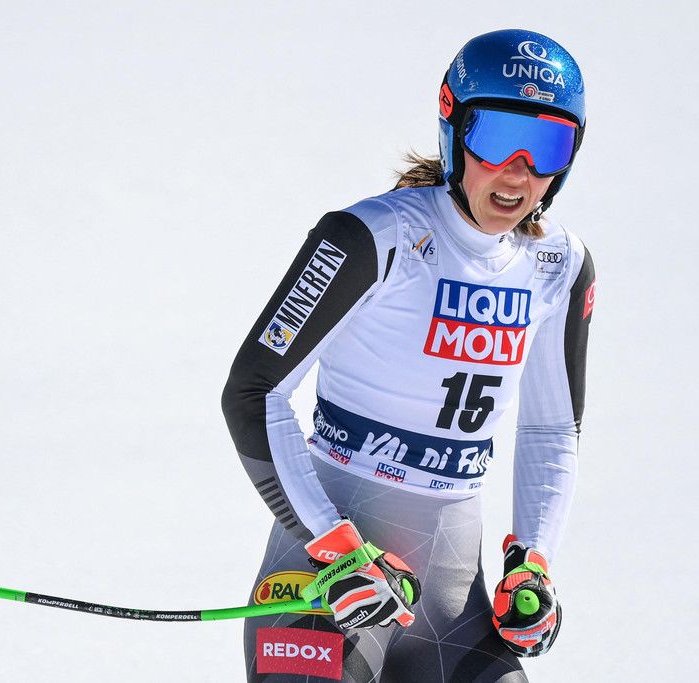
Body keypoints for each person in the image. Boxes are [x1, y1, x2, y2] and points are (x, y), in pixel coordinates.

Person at [221, 29, 595, 682]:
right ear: (453, 127)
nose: (518, 170)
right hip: (323, 587)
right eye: (497, 137)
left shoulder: (557, 263)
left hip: (447, 610)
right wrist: (333, 543)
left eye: (547, 147)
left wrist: (532, 561)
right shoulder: (373, 235)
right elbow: (255, 392)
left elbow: (550, 429)